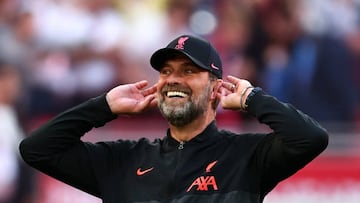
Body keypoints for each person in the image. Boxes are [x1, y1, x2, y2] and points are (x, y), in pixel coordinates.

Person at [19, 35, 328, 203]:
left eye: (189, 71)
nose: (173, 80)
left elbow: (311, 138)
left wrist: (252, 99)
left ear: (215, 88)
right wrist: (104, 106)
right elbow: (37, 149)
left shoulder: (246, 157)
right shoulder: (122, 160)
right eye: (166, 71)